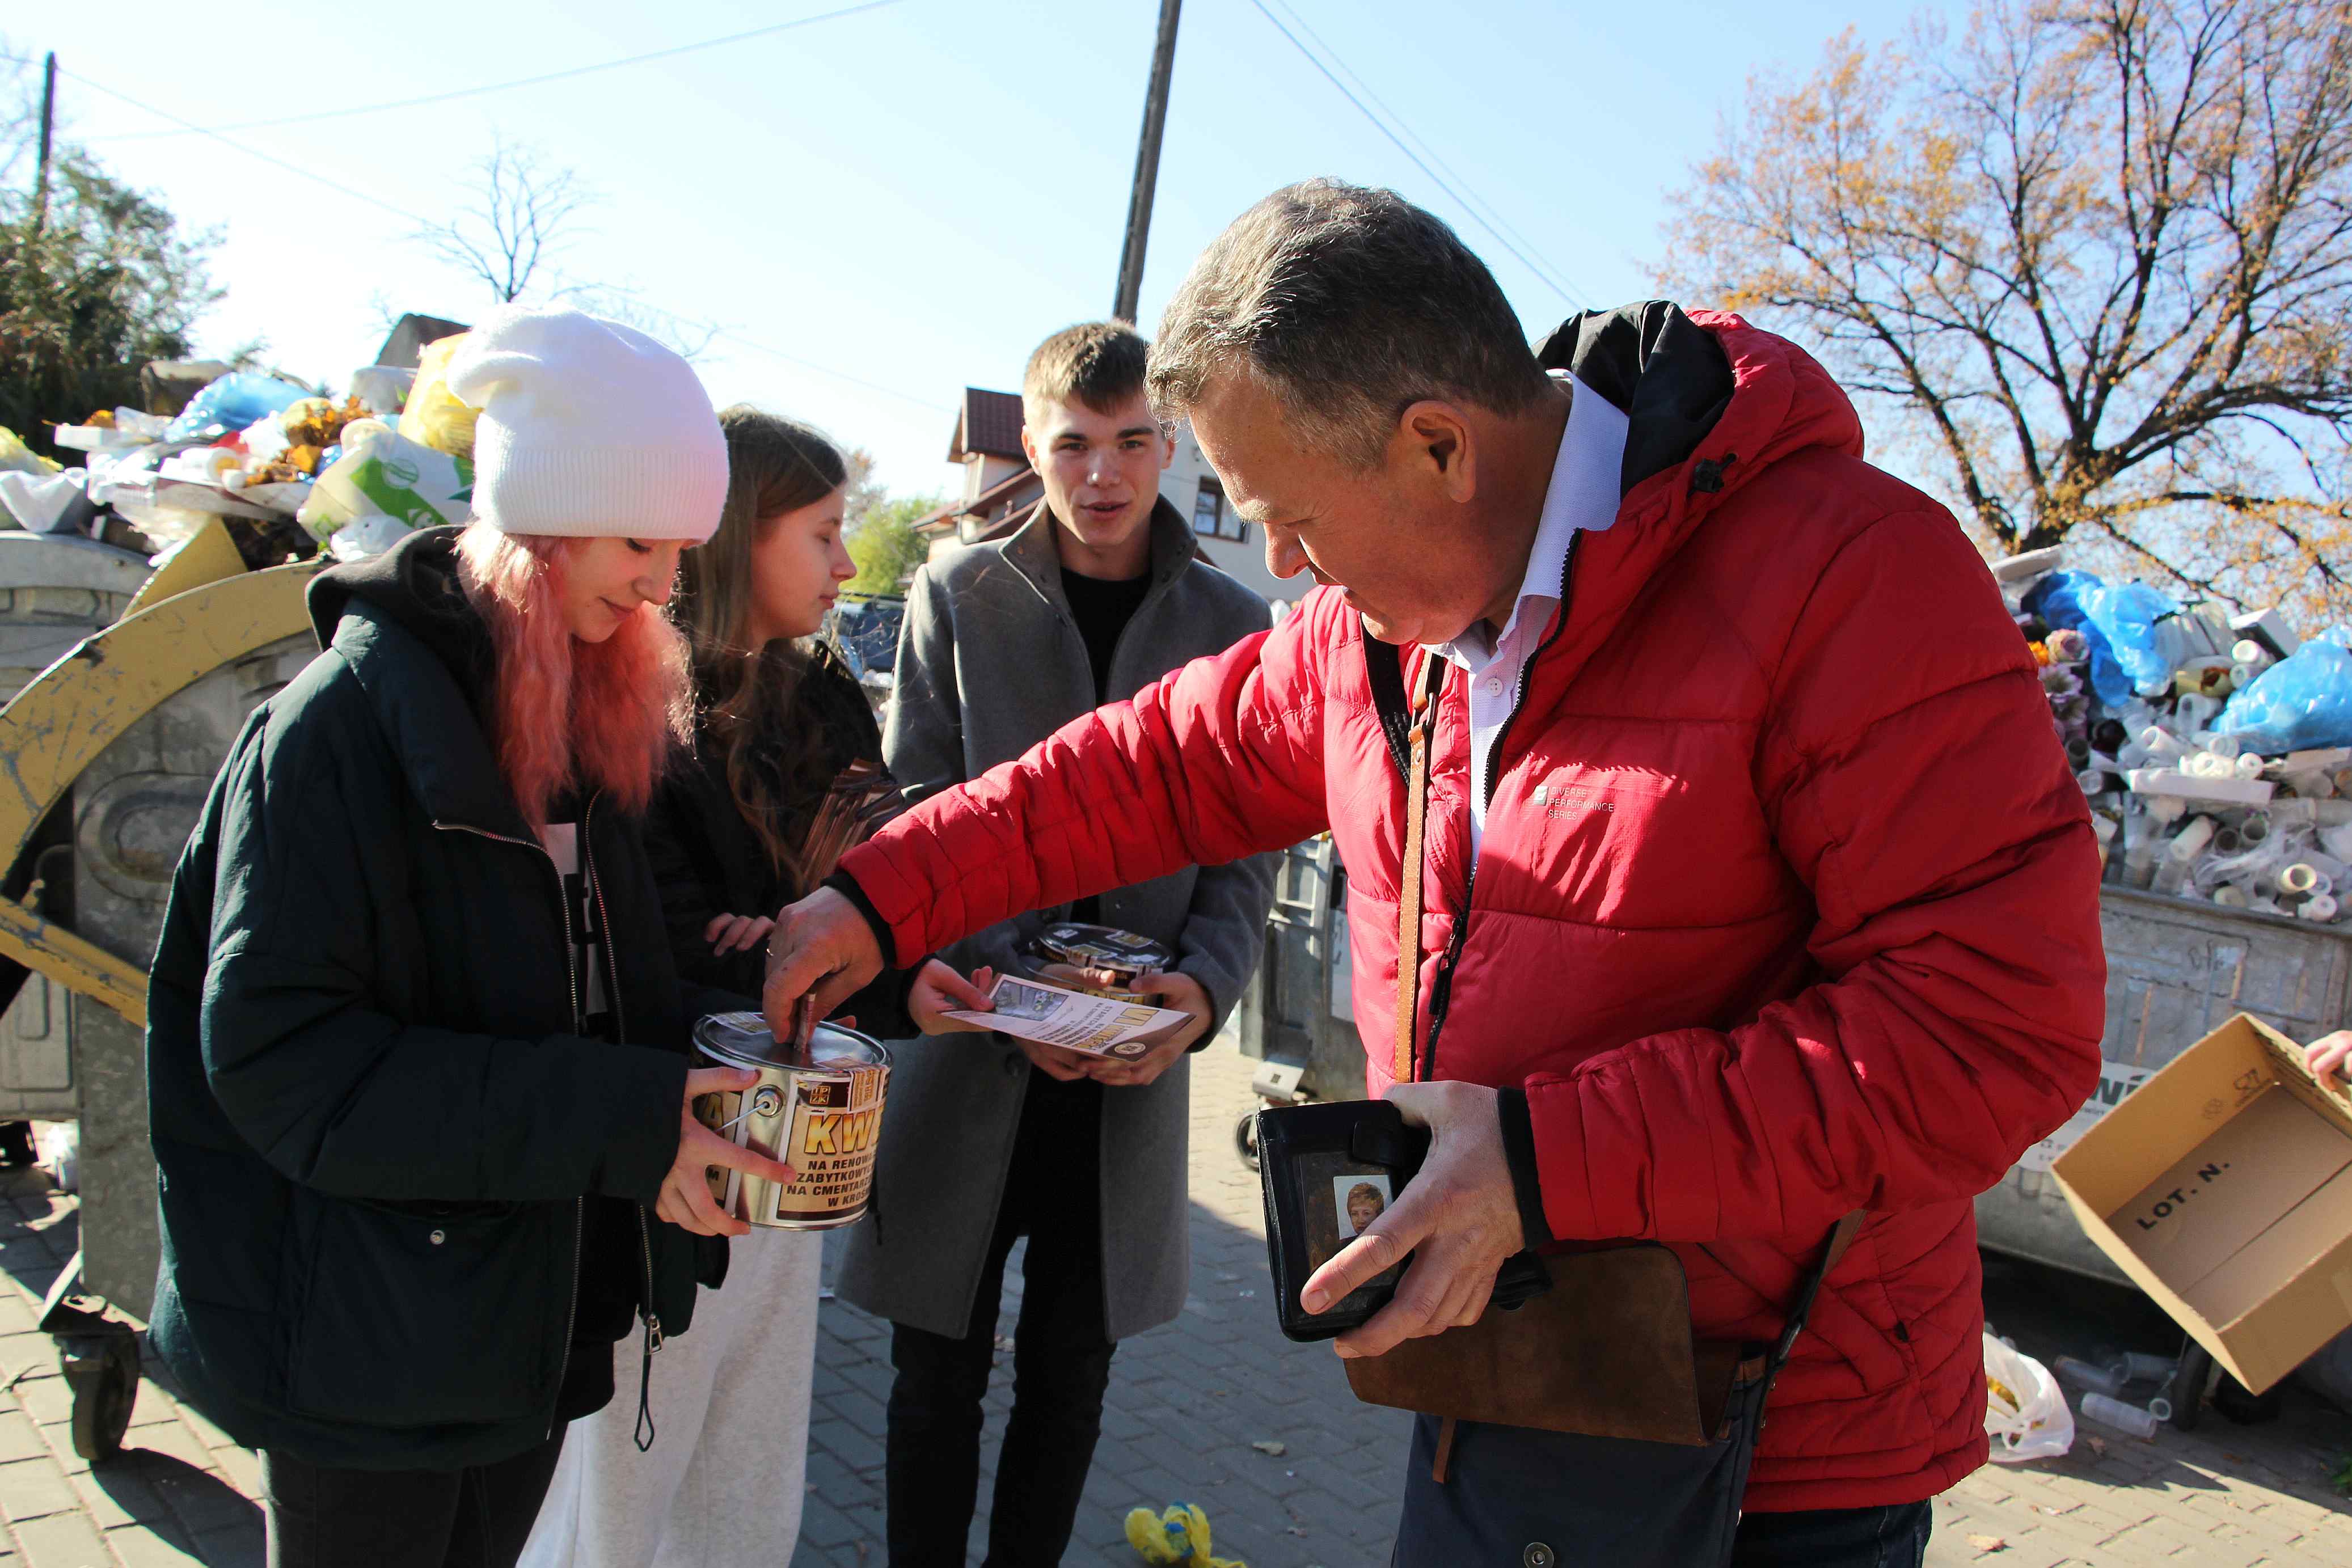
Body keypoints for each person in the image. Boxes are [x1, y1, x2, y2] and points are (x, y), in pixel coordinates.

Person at [763, 181, 2115, 1567]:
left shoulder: (1849, 574)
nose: (1280, 566)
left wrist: (1539, 1161)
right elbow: (1145, 767)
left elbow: (1993, 1033)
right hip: (1508, 1370)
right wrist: (879, 897)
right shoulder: (1381, 635)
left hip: (1766, 1452)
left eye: (1290, 514)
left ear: (1436, 447)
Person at [143, 306, 797, 1568]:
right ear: (536, 530)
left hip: (521, 1333)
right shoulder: (334, 736)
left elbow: (602, 982)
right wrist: (631, 1116)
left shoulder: (583, 715)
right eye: (640, 542)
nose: (668, 584)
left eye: (681, 548)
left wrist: (757, 1027)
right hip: (364, 1350)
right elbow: (291, 1068)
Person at [830, 321, 1277, 1568]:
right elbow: (914, 806)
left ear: (1170, 446)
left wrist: (1198, 992)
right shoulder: (958, 594)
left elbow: (1248, 853)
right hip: (971, 1050)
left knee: (1070, 1387)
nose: (1103, 474)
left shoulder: (1235, 621)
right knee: (934, 1379)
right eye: (1074, 444)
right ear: (1030, 446)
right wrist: (1024, 988)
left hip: (1128, 1082)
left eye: (1132, 442)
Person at [521, 409, 988, 1568]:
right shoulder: (627, 694)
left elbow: (871, 887)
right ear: (735, 535)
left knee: (748, 1479)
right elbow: (656, 946)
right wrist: (788, 940)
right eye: (823, 534)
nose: (846, 566)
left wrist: (894, 976)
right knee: (628, 1481)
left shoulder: (821, 693)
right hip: (666, 1158)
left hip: (801, 1139)